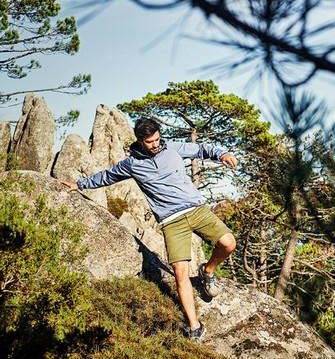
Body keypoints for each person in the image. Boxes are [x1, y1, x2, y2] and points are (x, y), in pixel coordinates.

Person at [59, 117, 237, 342]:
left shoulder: (172, 148)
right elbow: (106, 176)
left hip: (196, 209)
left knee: (229, 243)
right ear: (140, 141)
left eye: (157, 139)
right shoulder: (132, 164)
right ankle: (195, 327)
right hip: (172, 222)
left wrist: (222, 154)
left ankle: (207, 272)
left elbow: (201, 149)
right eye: (150, 141)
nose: (155, 144)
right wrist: (79, 184)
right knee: (180, 274)